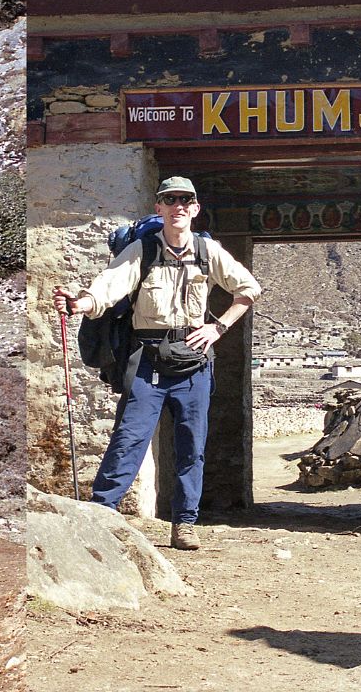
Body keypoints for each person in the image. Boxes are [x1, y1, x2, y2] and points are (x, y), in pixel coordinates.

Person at [52, 177, 261, 550]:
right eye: (170, 199)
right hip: (147, 360)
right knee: (128, 439)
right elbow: (108, 286)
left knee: (191, 447)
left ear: (195, 209)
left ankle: (184, 525)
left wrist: (218, 328)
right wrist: (78, 304)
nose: (178, 206)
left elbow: (249, 289)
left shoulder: (208, 251)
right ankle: (100, 516)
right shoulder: (142, 250)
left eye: (185, 200)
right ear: (159, 207)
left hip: (194, 362)